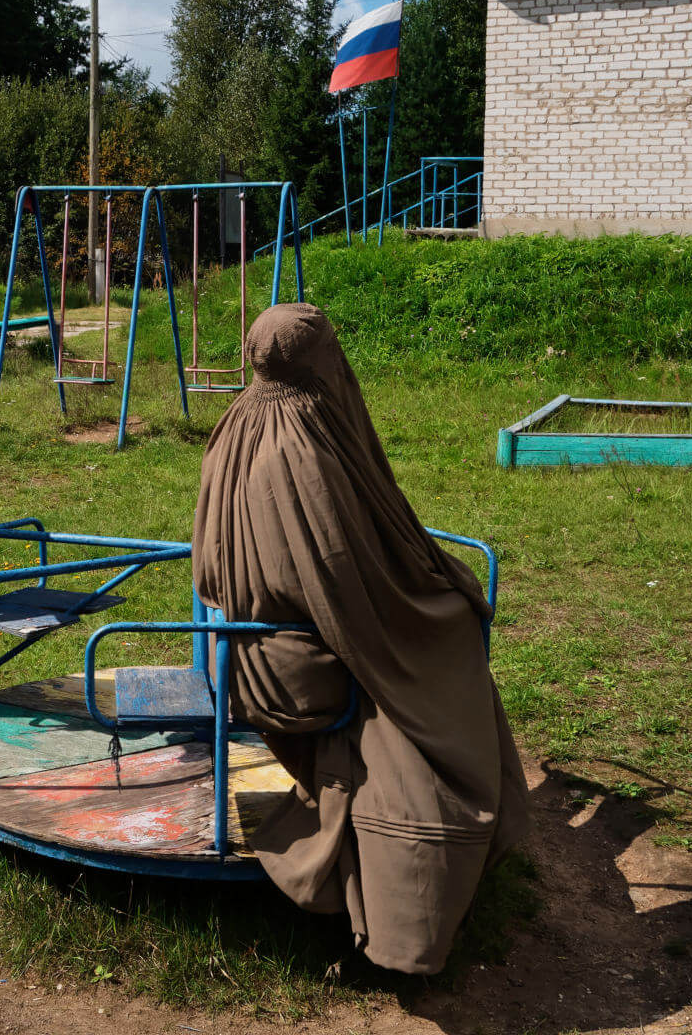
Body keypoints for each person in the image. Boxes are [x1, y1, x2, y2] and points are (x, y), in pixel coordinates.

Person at [191, 302, 528, 975]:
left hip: (235, 649)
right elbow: (350, 595)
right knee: (436, 662)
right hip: (292, 670)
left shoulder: (235, 425)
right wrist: (437, 597)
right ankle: (407, 904)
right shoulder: (304, 449)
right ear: (321, 363)